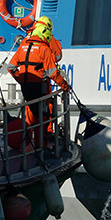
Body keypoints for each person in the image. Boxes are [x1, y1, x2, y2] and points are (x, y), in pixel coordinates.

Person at [8, 16, 69, 146]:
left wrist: (21, 80)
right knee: (42, 116)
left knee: (29, 114)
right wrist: (65, 86)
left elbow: (11, 67)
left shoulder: (24, 43)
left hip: (25, 87)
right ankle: (40, 147)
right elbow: (53, 72)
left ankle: (28, 143)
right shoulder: (44, 47)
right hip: (39, 86)